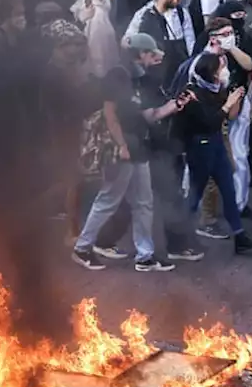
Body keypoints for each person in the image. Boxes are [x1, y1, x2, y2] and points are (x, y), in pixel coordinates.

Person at [72, 34, 189, 272]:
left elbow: (148, 115)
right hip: (121, 149)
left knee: (143, 203)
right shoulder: (118, 75)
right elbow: (110, 114)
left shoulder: (140, 79)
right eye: (151, 53)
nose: (154, 58)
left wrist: (174, 106)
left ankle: (145, 256)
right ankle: (82, 248)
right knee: (108, 199)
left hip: (138, 148)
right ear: (140, 53)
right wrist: (121, 145)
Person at [181, 51, 252, 254]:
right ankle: (181, 235)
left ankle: (239, 235)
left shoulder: (218, 89)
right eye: (220, 68)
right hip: (200, 146)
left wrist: (234, 100)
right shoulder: (192, 93)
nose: (224, 72)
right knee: (196, 193)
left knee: (228, 188)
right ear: (211, 72)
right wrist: (228, 103)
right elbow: (210, 121)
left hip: (217, 143)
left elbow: (229, 118)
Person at [124, 0, 194, 87]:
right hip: (155, 81)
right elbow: (127, 43)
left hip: (179, 77)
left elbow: (190, 44)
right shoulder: (143, 15)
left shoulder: (182, 14)